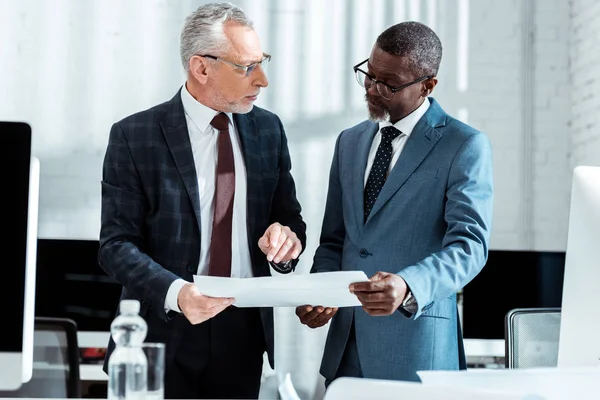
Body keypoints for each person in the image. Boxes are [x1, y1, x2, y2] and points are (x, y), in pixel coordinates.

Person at [98, 3, 306, 399]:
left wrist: (287, 241)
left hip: (243, 334)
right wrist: (179, 294)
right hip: (162, 330)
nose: (262, 79)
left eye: (262, 62)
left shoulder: (268, 130)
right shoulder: (134, 135)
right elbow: (116, 246)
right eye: (247, 67)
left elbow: (290, 220)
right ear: (202, 67)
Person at [296, 21, 494, 385]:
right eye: (368, 75)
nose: (372, 89)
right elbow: (335, 240)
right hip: (345, 354)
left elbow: (470, 247)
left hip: (417, 353)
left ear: (427, 85)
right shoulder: (350, 142)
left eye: (388, 84)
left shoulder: (463, 145)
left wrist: (408, 285)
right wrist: (319, 291)